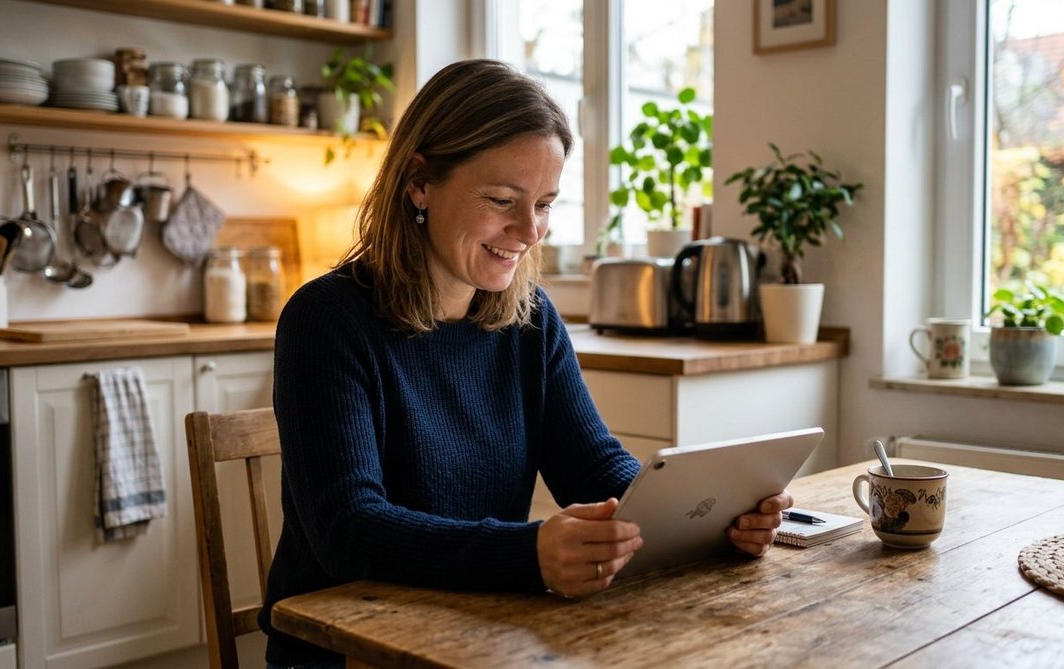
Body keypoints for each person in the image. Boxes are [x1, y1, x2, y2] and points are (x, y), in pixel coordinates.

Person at [259, 59, 794, 669]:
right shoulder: (326, 319)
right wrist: (529, 553)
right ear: (419, 183)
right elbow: (348, 531)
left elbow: (590, 465)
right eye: (502, 200)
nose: (528, 230)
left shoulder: (530, 319)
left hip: (476, 633)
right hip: (345, 650)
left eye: (544, 203)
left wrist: (705, 518)